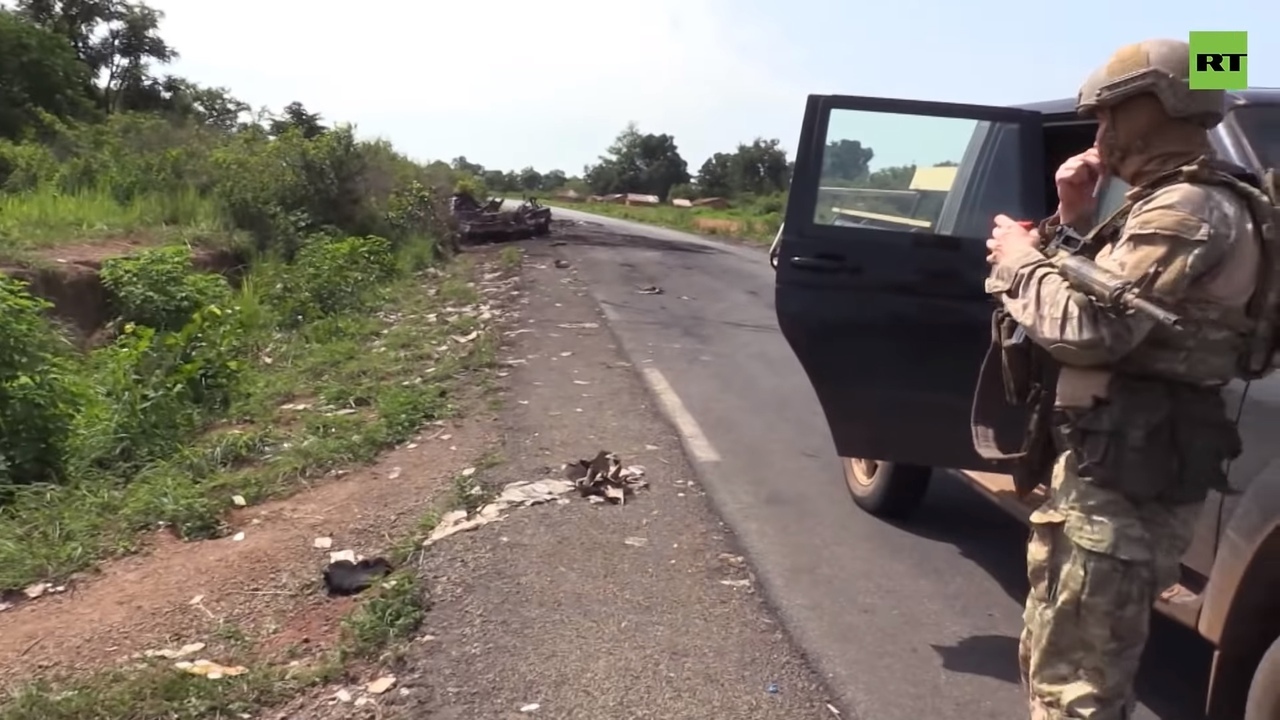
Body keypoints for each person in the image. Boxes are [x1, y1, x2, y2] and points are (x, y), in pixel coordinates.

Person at [983, 39, 1265, 719]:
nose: (1100, 131)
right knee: (1059, 665)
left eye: (1113, 113)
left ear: (1160, 107)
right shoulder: (1166, 202)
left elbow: (1091, 329)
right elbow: (1113, 299)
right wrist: (1071, 220)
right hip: (1113, 470)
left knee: (1077, 689)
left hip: (1125, 486)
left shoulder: (1188, 207)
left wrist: (1019, 260)